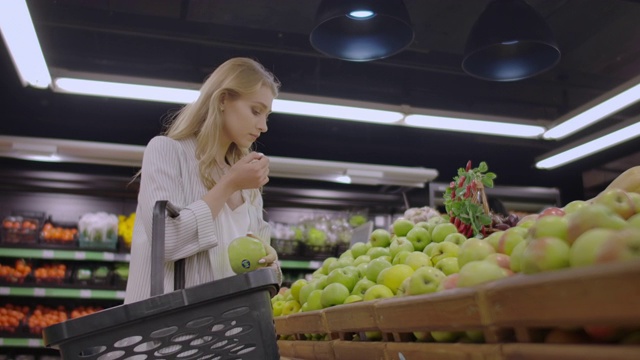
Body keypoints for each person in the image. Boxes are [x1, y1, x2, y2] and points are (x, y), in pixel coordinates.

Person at [125, 57, 282, 304]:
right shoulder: (167, 151)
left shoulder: (249, 184)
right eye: (255, 111)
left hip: (228, 330)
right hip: (172, 334)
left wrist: (271, 266)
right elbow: (165, 243)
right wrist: (229, 184)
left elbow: (254, 266)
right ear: (223, 100)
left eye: (267, 116)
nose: (263, 126)